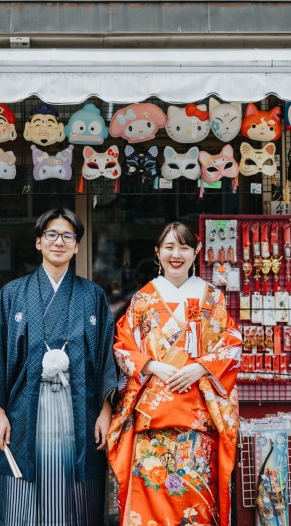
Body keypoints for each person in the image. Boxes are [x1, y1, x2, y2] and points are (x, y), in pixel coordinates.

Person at [0, 208, 117, 526]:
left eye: (67, 236)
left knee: (79, 494)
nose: (58, 242)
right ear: (38, 242)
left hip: (81, 411)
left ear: (76, 246)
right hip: (23, 412)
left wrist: (105, 410)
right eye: (51, 234)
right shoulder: (13, 294)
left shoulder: (93, 296)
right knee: (23, 498)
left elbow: (106, 357)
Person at [107, 222, 242, 526]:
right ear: (158, 253)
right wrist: (151, 365)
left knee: (195, 499)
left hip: (198, 419)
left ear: (196, 253)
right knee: (150, 500)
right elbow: (122, 345)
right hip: (152, 420)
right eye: (169, 247)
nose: (176, 254)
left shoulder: (212, 299)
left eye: (183, 247)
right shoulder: (143, 299)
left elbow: (232, 343)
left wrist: (201, 367)